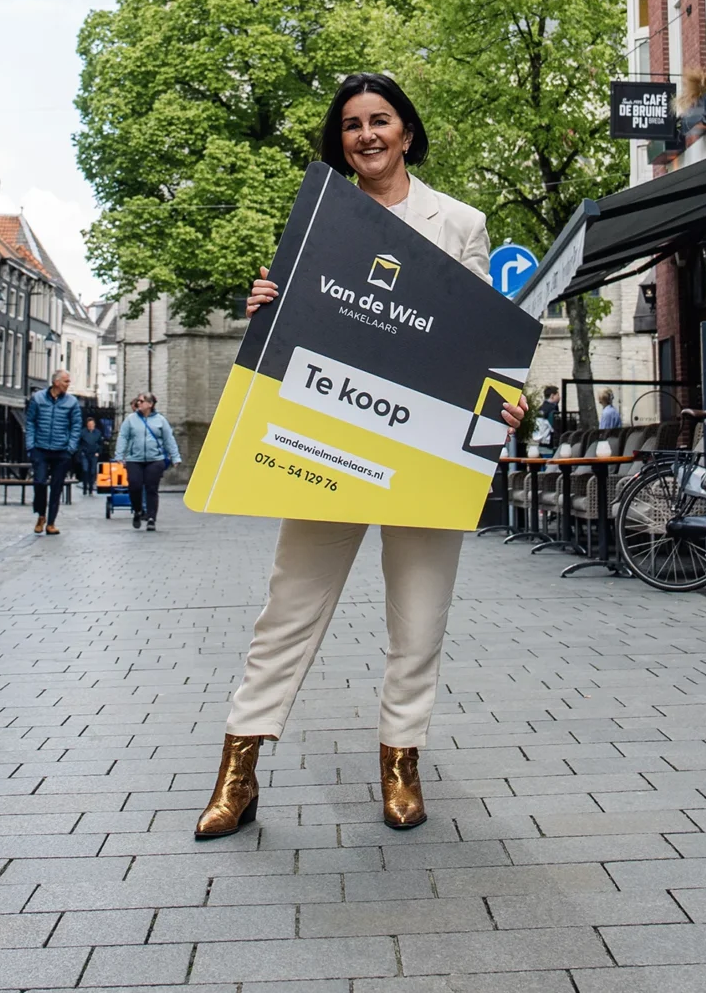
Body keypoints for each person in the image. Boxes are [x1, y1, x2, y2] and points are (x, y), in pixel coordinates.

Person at [193, 72, 525, 841]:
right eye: (351, 125)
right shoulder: (321, 222)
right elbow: (300, 326)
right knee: (288, 610)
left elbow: (487, 335)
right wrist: (266, 313)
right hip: (332, 440)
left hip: (428, 449)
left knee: (420, 618)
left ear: (407, 131)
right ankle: (237, 772)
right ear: (338, 141)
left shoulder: (460, 223)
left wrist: (506, 398)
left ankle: (401, 765)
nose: (367, 134)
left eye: (381, 120)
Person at [26, 371, 82, 536]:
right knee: (39, 482)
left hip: (61, 451)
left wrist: (70, 448)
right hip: (40, 449)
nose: (68, 384)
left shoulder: (72, 402)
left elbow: (76, 426)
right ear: (56, 382)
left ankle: (51, 523)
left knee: (57, 488)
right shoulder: (38, 398)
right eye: (66, 381)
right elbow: (30, 422)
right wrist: (31, 446)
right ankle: (41, 515)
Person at [116, 393, 179, 532]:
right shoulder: (130, 419)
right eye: (138, 401)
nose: (138, 403)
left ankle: (151, 518)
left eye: (141, 401)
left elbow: (169, 438)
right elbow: (123, 437)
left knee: (152, 488)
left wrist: (175, 457)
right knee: (135, 486)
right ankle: (138, 511)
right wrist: (119, 455)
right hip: (134, 459)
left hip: (155, 459)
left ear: (150, 404)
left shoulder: (160, 420)